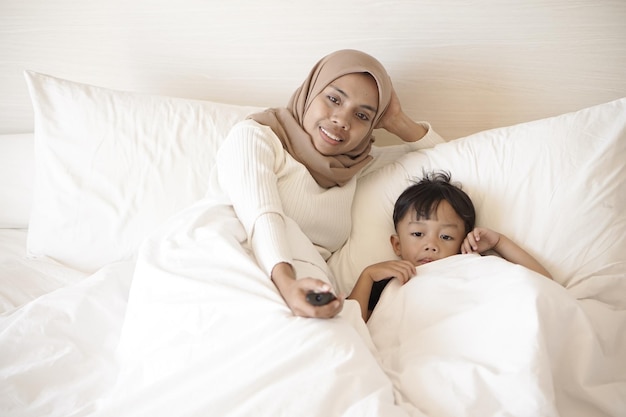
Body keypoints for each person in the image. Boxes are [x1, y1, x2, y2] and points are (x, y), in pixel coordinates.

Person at [207, 49, 440, 319]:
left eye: (362, 116)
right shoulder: (255, 137)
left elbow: (450, 161)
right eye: (333, 99)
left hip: (308, 291)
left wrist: (398, 121)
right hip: (239, 267)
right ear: (310, 91)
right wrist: (289, 285)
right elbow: (263, 217)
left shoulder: (354, 168)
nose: (341, 120)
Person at [348, 171, 552, 321]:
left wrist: (499, 242)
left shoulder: (471, 266)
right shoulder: (386, 280)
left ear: (462, 241)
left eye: (446, 237)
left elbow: (545, 286)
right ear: (397, 244)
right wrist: (367, 276)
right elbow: (350, 326)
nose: (431, 245)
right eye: (418, 234)